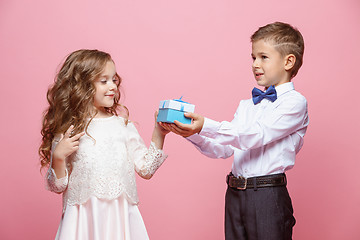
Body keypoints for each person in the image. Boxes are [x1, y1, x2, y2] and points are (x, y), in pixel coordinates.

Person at [160, 22, 309, 240]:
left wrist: (205, 125)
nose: (255, 64)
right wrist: (191, 132)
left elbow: (256, 135)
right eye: (253, 57)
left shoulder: (295, 103)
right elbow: (225, 148)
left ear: (288, 61)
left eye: (263, 57)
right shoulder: (246, 105)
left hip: (267, 196)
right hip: (235, 194)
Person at [39, 49, 169, 240]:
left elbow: (146, 169)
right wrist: (58, 156)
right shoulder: (70, 130)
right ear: (82, 86)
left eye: (114, 80)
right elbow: (57, 186)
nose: (113, 87)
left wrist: (159, 133)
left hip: (120, 219)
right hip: (83, 223)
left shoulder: (123, 126)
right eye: (104, 81)